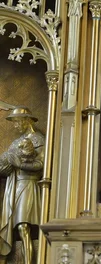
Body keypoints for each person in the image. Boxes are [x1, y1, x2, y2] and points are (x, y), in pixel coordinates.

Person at [0, 107, 44, 264]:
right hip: (13, 185)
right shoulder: (16, 143)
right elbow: (5, 163)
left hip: (29, 184)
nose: (15, 126)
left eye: (17, 122)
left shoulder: (38, 139)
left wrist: (19, 163)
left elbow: (41, 164)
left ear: (27, 120)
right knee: (12, 228)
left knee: (23, 227)